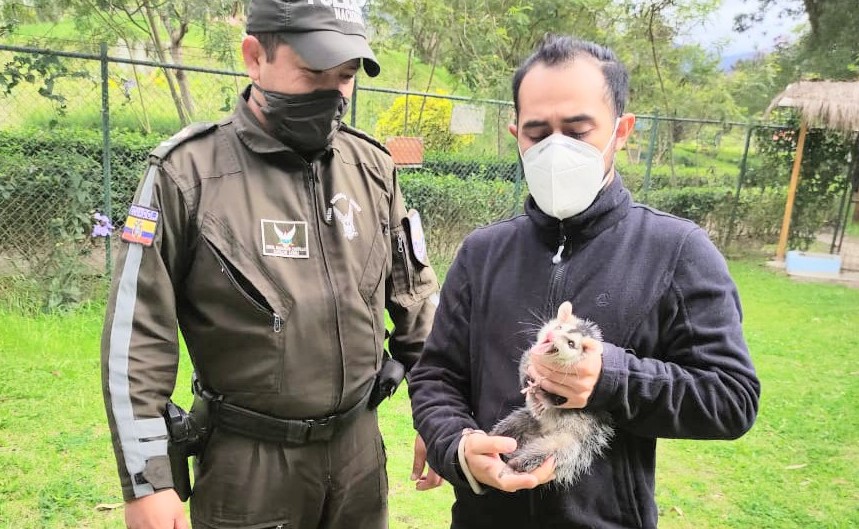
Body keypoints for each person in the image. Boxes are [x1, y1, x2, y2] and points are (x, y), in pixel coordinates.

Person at [101, 1, 442, 528]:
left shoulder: (372, 169)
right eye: (313, 73)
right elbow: (137, 332)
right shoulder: (187, 174)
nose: (334, 93)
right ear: (254, 57)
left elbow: (416, 299)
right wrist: (148, 482)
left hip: (357, 459)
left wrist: (436, 413)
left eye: (346, 76)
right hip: (250, 464)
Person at [408, 34, 761, 529]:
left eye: (578, 130)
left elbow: (731, 398)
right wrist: (458, 448)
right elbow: (436, 377)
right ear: (516, 134)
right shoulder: (482, 252)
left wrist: (612, 378)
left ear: (622, 130)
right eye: (537, 133)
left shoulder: (677, 250)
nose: (556, 148)